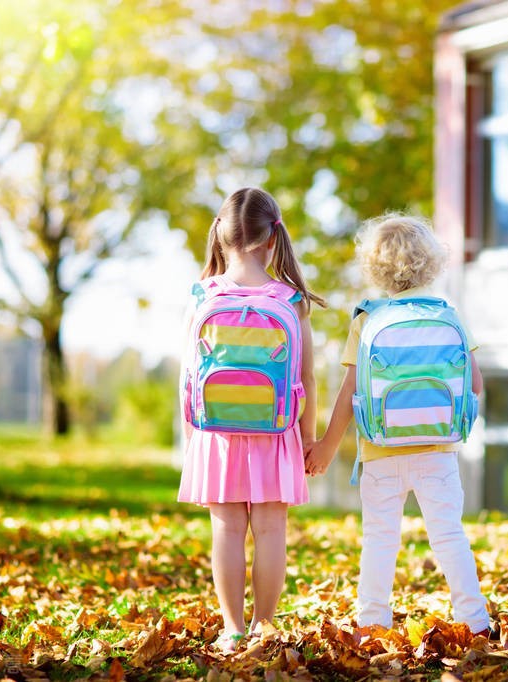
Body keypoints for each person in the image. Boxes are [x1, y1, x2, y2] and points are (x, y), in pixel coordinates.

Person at [306, 213, 494, 638]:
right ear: (431, 261)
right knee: (449, 538)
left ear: (374, 267)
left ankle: (372, 624)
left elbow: (350, 393)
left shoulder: (367, 319)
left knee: (380, 540)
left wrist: (326, 447)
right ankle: (476, 622)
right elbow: (475, 383)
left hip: (381, 453)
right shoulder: (449, 314)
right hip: (437, 452)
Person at [177, 187, 325, 653]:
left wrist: (191, 440)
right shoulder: (290, 298)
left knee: (226, 529)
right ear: (271, 239)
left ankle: (232, 627)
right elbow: (307, 377)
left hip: (216, 432)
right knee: (270, 530)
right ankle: (263, 626)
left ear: (220, 237)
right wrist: (308, 438)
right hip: (275, 430)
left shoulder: (203, 294)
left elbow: (188, 378)